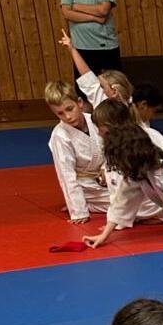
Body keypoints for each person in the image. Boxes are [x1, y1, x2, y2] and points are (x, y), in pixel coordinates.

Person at [43, 80, 108, 224]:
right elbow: (66, 175)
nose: (67, 116)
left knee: (139, 193)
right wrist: (78, 211)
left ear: (79, 102)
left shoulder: (95, 120)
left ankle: (93, 204)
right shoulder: (60, 136)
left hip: (108, 177)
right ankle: (84, 204)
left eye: (69, 109)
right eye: (60, 113)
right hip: (86, 186)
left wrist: (106, 167)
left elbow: (112, 148)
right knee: (127, 203)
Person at [59, 0, 121, 88]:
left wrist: (76, 6)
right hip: (80, 47)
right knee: (85, 91)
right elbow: (67, 13)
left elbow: (103, 10)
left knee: (113, 90)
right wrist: (95, 18)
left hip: (105, 47)